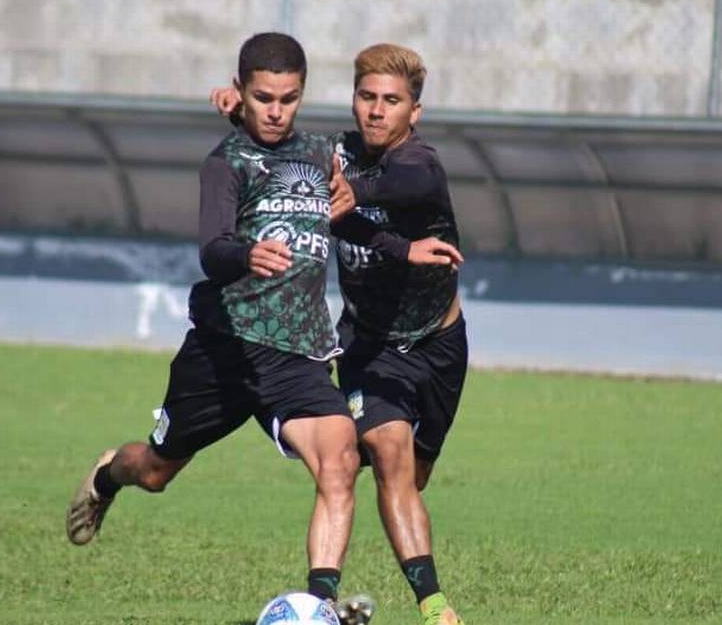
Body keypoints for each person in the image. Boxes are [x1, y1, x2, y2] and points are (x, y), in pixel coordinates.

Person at [67, 32, 365, 609]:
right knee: (154, 472)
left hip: (296, 355)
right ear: (239, 93)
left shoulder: (321, 154)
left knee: (342, 461)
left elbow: (353, 173)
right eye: (262, 99)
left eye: (289, 98)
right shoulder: (224, 164)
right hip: (224, 351)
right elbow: (211, 250)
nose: (276, 111)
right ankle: (108, 475)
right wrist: (245, 255)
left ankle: (318, 608)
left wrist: (349, 197)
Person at [212, 43, 467, 625]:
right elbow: (275, 143)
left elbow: (401, 185)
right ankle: (430, 608)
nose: (377, 111)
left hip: (441, 347)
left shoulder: (421, 164)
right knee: (388, 454)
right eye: (367, 97)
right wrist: (237, 113)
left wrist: (357, 193)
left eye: (392, 101)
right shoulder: (330, 156)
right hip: (367, 347)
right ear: (354, 101)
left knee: (411, 478)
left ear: (414, 113)